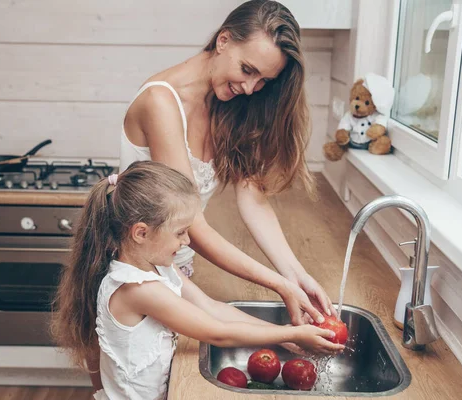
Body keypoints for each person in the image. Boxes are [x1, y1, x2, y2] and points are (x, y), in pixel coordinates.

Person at [51, 161, 345, 400]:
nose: (188, 240)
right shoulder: (135, 289)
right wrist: (288, 335)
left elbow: (210, 307)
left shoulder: (156, 267)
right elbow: (216, 332)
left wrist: (289, 338)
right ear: (141, 233)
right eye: (180, 232)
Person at [121, 0, 336, 326]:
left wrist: (296, 275)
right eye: (247, 70)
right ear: (223, 41)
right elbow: (192, 221)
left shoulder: (229, 105)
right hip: (140, 275)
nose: (251, 88)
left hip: (177, 268)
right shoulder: (161, 102)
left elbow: (253, 196)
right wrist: (278, 284)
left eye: (263, 80)